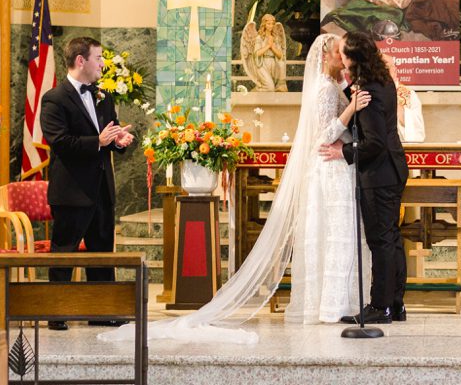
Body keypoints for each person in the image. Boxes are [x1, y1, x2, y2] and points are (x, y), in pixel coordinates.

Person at [100, 35, 371, 345]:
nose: (344, 56)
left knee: (337, 235)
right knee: (332, 234)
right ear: (326, 55)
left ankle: (338, 301)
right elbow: (325, 135)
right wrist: (350, 109)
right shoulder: (324, 88)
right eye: (339, 51)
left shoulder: (334, 85)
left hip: (338, 169)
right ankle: (330, 304)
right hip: (328, 169)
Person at [39, 36, 135, 330]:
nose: (102, 64)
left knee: (102, 251)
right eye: (98, 58)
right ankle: (57, 313)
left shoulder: (103, 96)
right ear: (80, 61)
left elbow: (109, 138)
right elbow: (60, 142)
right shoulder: (54, 98)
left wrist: (120, 142)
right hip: (71, 190)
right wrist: (99, 141)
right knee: (64, 251)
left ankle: (101, 309)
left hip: (101, 187)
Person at [329, 31, 408, 325]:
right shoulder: (382, 80)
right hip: (393, 169)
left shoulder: (369, 91)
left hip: (379, 174)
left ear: (353, 57)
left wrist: (344, 151)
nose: (341, 59)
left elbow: (374, 143)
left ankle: (380, 307)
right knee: (392, 239)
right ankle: (396, 304)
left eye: (343, 54)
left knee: (381, 241)